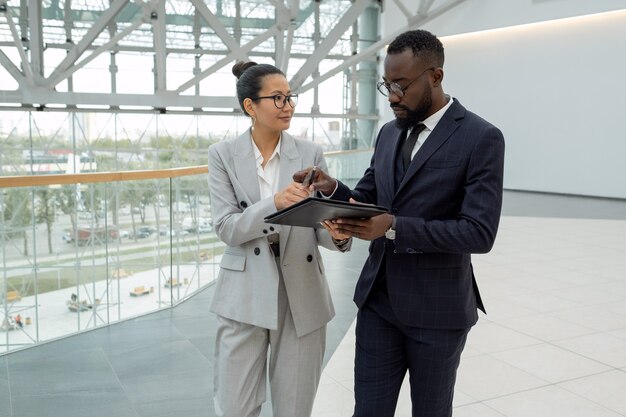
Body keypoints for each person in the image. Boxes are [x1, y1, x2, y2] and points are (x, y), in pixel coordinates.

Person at [296, 29, 505, 417]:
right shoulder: (389, 133)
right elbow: (369, 197)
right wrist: (332, 190)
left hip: (438, 311)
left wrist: (392, 227)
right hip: (378, 303)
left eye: (402, 85)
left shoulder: (481, 137)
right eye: (386, 84)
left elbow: (479, 232)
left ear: (436, 77)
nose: (392, 96)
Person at [208, 61, 351, 417]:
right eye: (277, 98)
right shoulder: (222, 155)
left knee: (295, 408)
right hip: (244, 292)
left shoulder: (310, 152)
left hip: (301, 291)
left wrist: (338, 235)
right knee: (235, 407)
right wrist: (274, 203)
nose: (287, 105)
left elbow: (318, 222)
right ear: (250, 107)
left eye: (289, 97)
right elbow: (227, 227)